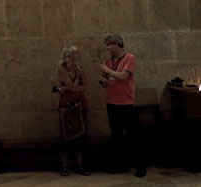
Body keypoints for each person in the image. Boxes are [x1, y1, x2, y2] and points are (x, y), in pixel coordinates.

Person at [98, 34, 145, 177]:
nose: (107, 49)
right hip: (111, 102)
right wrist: (102, 81)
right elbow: (106, 80)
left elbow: (123, 76)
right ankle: (119, 165)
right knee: (116, 135)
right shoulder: (108, 60)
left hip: (125, 103)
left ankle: (140, 167)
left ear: (117, 44)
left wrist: (105, 70)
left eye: (109, 45)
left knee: (132, 136)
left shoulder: (129, 58)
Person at [55, 45, 88, 176]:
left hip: (80, 103)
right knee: (65, 137)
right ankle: (65, 166)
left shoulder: (79, 69)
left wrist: (72, 87)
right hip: (66, 105)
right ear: (68, 56)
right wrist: (77, 81)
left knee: (82, 136)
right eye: (74, 55)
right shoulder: (62, 69)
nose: (77, 57)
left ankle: (80, 165)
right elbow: (69, 87)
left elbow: (85, 87)